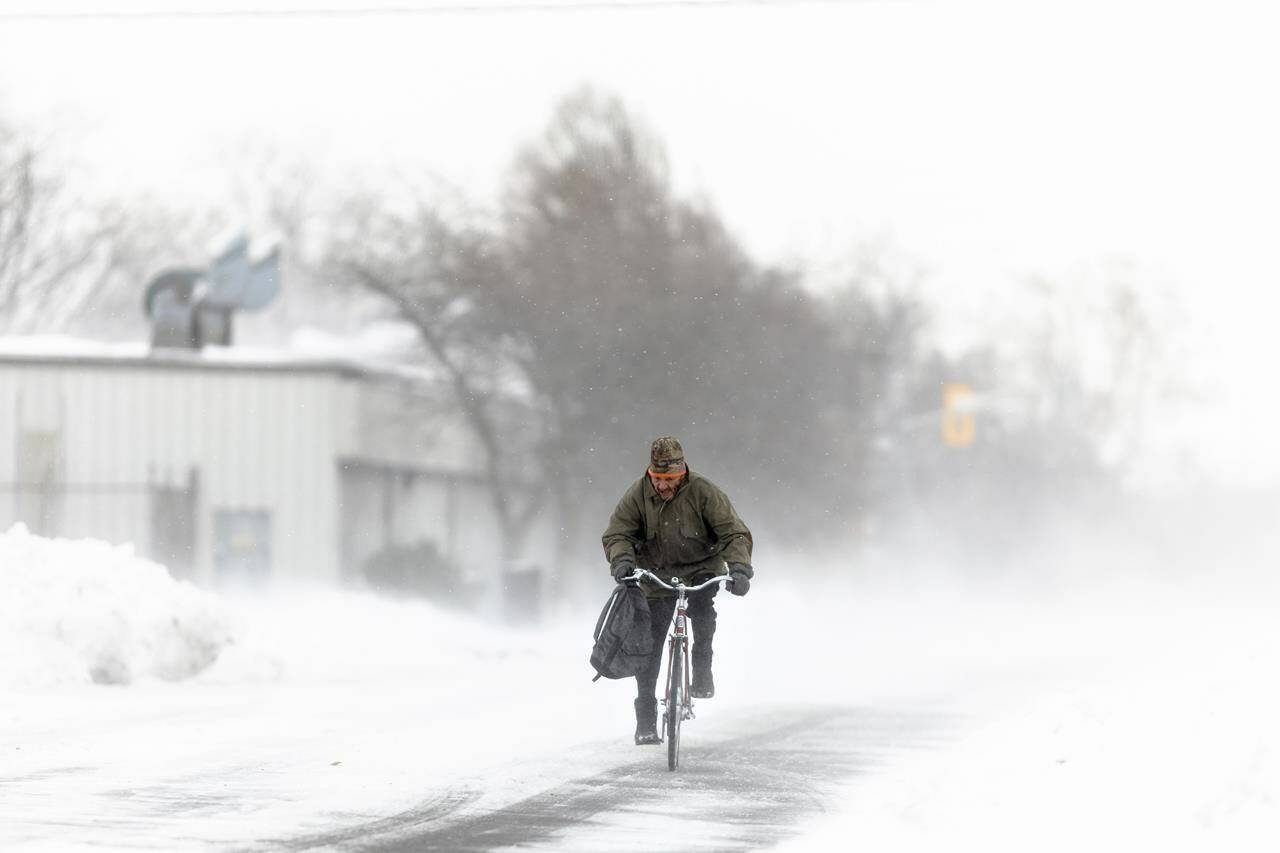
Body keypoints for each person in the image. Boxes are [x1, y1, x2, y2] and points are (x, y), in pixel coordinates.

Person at [601, 436, 754, 745]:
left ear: (682, 473)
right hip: (656, 576)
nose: (662, 486)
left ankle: (701, 668)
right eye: (657, 479)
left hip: (700, 571)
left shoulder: (704, 492)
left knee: (703, 617)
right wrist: (622, 560)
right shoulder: (637, 494)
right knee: (650, 644)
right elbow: (618, 533)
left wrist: (739, 569)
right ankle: (646, 717)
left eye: (669, 479)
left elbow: (733, 533)